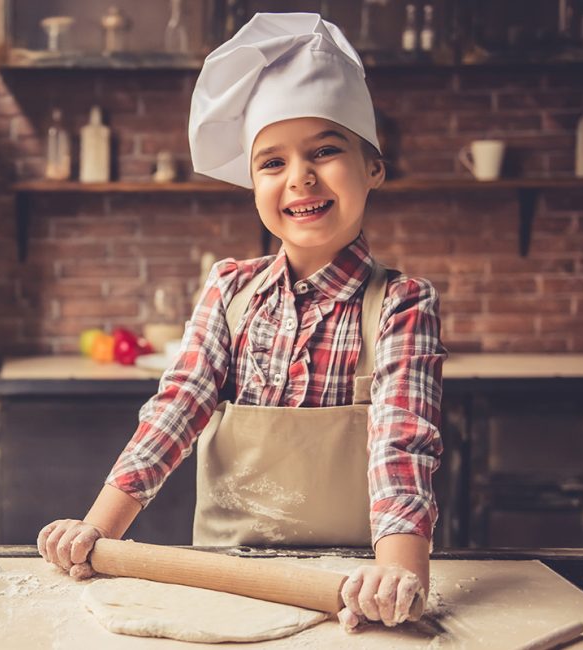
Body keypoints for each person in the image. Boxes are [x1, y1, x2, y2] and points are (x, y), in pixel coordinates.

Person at [37, 12, 448, 632]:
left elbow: (402, 443)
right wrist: (97, 531)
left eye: (325, 151)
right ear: (253, 184)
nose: (299, 177)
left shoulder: (401, 303)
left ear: (373, 169)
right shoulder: (230, 289)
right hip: (226, 578)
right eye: (272, 162)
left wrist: (397, 574)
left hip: (349, 586)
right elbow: (176, 411)